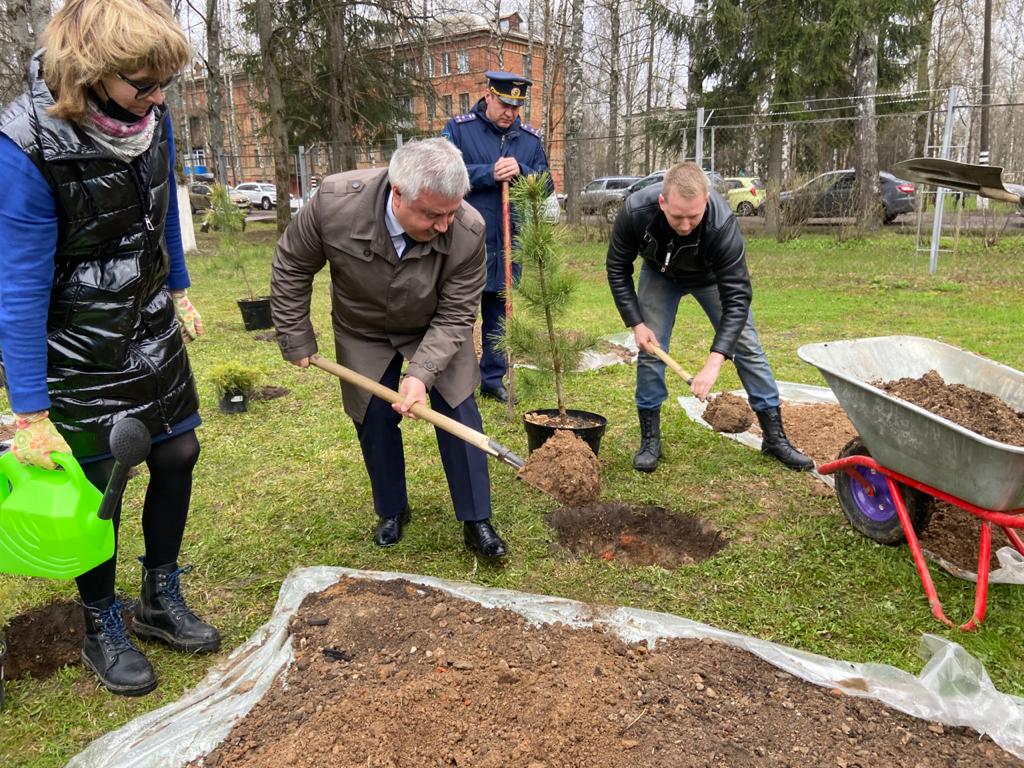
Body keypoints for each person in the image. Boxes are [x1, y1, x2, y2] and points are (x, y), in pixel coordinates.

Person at [0, 0, 220, 697]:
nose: (157, 98)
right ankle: (101, 621)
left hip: (148, 317)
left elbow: (163, 212)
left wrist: (179, 289)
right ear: (90, 73)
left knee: (178, 449)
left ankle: (160, 594)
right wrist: (30, 411)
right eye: (142, 84)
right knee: (101, 485)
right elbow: (19, 284)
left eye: (164, 84)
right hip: (74, 340)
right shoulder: (25, 145)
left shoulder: (153, 119)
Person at [270, 138, 508, 559]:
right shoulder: (334, 204)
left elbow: (456, 314)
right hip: (363, 328)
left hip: (432, 325)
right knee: (373, 415)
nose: (443, 225)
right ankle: (392, 509)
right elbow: (292, 263)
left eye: (450, 213)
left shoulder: (468, 230)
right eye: (433, 214)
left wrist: (421, 373)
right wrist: (295, 333)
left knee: (458, 405)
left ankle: (477, 519)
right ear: (398, 193)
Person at [606, 162, 813, 473]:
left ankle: (774, 437)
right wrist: (636, 323)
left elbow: (738, 297)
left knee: (747, 348)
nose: (686, 225)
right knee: (652, 350)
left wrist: (715, 361)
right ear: (663, 202)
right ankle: (650, 440)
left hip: (711, 278)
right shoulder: (636, 211)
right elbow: (617, 268)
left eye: (694, 216)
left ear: (705, 201)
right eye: (678, 217)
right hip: (659, 274)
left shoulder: (721, 224)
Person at [441, 70, 553, 403]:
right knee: (456, 311)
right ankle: (450, 377)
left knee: (499, 315)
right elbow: (442, 174)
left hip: (508, 243)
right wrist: (487, 173)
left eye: (516, 108)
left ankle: (492, 378)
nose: (510, 113)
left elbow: (546, 185)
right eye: (504, 104)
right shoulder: (459, 131)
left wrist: (524, 173)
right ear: (488, 96)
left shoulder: (530, 141)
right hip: (462, 242)